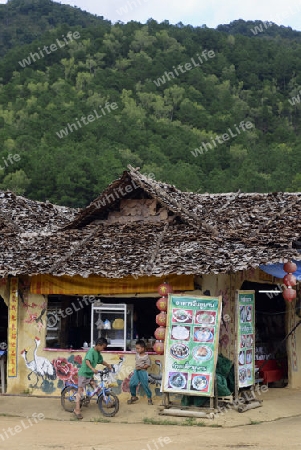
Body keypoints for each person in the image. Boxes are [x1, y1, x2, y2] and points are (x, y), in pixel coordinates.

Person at [73, 337, 112, 419]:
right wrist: (92, 368)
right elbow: (87, 361)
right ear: (98, 345)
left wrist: (108, 365)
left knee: (96, 387)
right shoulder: (91, 351)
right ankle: (77, 410)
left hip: (89, 374)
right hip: (84, 373)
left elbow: (101, 361)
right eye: (103, 347)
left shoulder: (98, 353)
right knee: (80, 391)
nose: (103, 349)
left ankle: (106, 402)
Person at [127, 339, 153, 405]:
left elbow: (148, 365)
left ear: (143, 348)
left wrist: (141, 367)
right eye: (136, 348)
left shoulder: (146, 357)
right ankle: (134, 396)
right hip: (136, 371)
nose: (137, 350)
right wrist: (137, 368)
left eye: (138, 348)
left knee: (145, 385)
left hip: (143, 372)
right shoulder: (137, 355)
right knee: (131, 384)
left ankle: (149, 398)